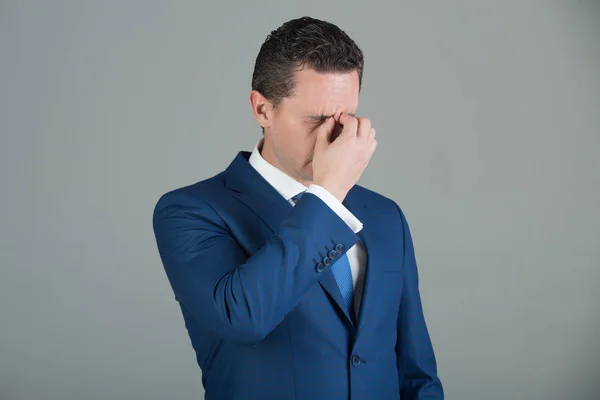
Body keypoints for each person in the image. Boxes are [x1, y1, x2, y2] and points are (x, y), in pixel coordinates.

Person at [153, 16, 443, 400]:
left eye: (345, 118)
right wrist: (328, 193)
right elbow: (243, 318)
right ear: (263, 110)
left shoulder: (385, 215)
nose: (334, 136)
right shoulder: (190, 211)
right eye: (316, 119)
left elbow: (416, 371)